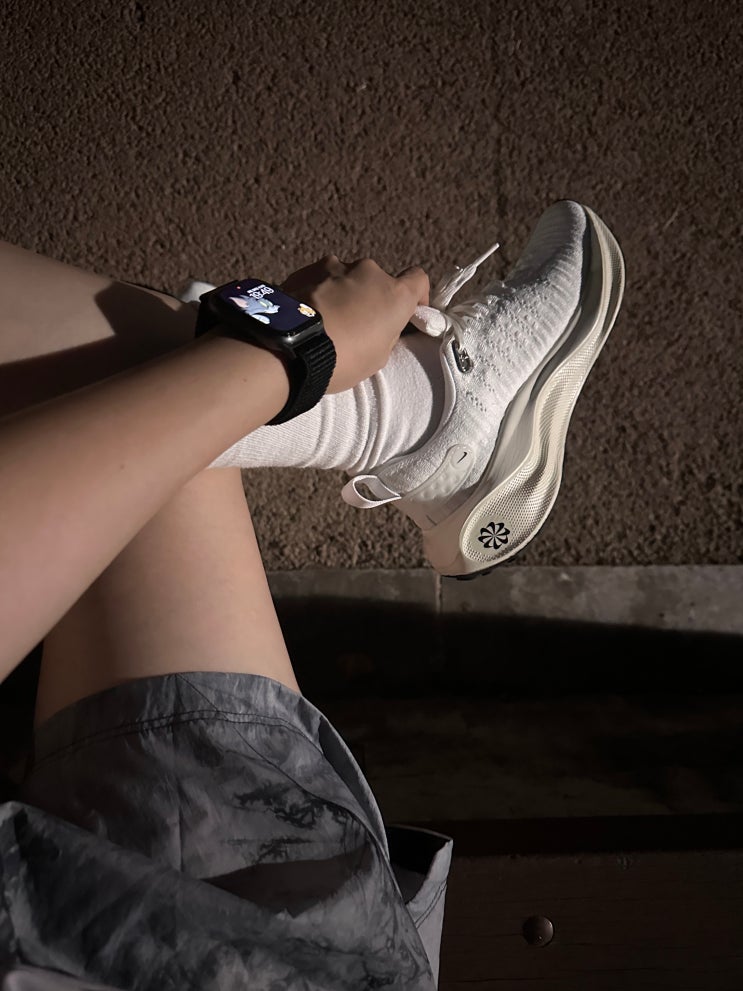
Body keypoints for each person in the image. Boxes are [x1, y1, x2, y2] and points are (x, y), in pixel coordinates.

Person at [0, 200, 625, 990]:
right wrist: (286, 355)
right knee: (139, 377)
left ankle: (416, 422)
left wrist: (277, 355)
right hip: (219, 938)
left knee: (148, 385)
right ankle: (419, 420)